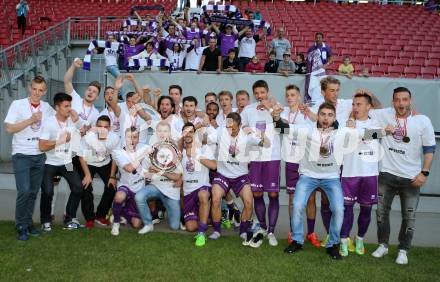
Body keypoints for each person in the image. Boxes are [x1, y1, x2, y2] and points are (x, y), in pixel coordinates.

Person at [283, 102, 361, 260]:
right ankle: (297, 240)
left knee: (339, 209)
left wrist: (386, 131)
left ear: (334, 118)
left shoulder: (342, 132)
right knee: (297, 205)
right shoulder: (306, 129)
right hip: (308, 176)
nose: (326, 118)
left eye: (330, 115)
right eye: (323, 114)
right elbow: (282, 128)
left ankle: (332, 244)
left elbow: (367, 134)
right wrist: (276, 117)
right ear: (317, 116)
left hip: (331, 178)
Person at [370, 87, 436, 265]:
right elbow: (366, 133)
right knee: (381, 213)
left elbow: (429, 148)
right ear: (393, 102)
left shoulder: (422, 120)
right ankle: (383, 245)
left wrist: (425, 172)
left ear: (410, 101)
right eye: (397, 100)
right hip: (386, 175)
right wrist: (384, 131)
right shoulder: (385, 115)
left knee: (409, 216)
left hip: (411, 178)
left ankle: (403, 250)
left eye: (405, 100)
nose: (401, 103)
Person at [4, 76, 54, 240]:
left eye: (40, 90)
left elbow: (59, 117)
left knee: (33, 192)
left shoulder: (46, 107)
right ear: (29, 88)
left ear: (44, 91)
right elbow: (9, 128)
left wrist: (73, 114)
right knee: (24, 191)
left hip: (39, 156)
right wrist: (30, 120)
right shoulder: (17, 104)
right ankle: (21, 225)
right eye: (34, 89)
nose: (37, 93)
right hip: (21, 155)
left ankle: (28, 223)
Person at [271, 85, 320, 247]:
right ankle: (293, 232)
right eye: (288, 95)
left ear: (299, 97)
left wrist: (310, 114)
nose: (290, 97)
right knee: (293, 200)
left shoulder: (306, 112)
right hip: (291, 161)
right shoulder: (282, 112)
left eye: (293, 95)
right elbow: (280, 129)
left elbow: (319, 126)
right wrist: (276, 116)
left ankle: (311, 233)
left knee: (311, 198)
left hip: (306, 161)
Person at [209, 112, 269, 242]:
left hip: (240, 175)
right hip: (223, 174)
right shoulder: (221, 131)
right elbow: (205, 139)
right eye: (228, 127)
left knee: (248, 202)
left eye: (234, 128)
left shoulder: (247, 135)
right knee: (215, 199)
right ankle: (216, 230)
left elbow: (264, 143)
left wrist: (258, 133)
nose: (230, 131)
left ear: (240, 125)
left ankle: (243, 230)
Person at [339, 92, 382, 256]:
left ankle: (360, 238)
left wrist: (354, 132)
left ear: (368, 106)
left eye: (359, 104)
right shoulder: (345, 123)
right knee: (346, 208)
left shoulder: (376, 122)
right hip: (350, 173)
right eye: (354, 104)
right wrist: (349, 130)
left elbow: (371, 135)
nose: (355, 107)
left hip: (370, 174)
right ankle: (344, 240)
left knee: (366, 209)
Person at [240, 80, 281, 248]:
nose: (259, 96)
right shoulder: (248, 110)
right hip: (255, 158)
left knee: (272, 194)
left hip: (272, 156)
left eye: (262, 92)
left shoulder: (276, 106)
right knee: (257, 194)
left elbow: (282, 128)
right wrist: (248, 131)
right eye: (256, 93)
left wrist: (271, 109)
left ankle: (271, 231)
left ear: (267, 91)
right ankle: (263, 227)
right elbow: (242, 126)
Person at [38, 93, 83, 231]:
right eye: (66, 106)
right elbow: (42, 146)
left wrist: (78, 121)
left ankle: (69, 218)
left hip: (67, 162)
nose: (69, 108)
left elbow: (84, 130)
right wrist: (61, 140)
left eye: (70, 105)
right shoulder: (49, 122)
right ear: (57, 107)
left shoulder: (73, 120)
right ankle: (45, 221)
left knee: (77, 187)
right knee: (48, 192)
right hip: (50, 163)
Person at [135, 121, 183, 233]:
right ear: (156, 133)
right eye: (160, 131)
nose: (162, 133)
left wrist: (161, 171)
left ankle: (167, 206)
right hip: (156, 186)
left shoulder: (176, 151)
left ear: (169, 133)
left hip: (171, 190)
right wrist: (149, 173)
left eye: (165, 131)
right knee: (139, 197)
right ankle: (148, 224)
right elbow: (145, 173)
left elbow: (177, 177)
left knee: (174, 226)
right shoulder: (151, 150)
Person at [76, 115, 120, 228]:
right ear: (96, 127)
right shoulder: (88, 138)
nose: (102, 129)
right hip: (89, 163)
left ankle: (100, 215)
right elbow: (81, 157)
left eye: (105, 127)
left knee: (111, 187)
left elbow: (115, 157)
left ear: (109, 129)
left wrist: (112, 176)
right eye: (99, 126)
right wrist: (87, 175)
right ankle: (89, 218)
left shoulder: (114, 138)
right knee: (86, 187)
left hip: (105, 163)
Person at [180, 122, 217, 246]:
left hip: (202, 187)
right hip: (188, 192)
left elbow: (214, 166)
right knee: (190, 227)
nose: (188, 134)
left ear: (195, 133)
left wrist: (196, 155)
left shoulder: (203, 148)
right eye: (185, 132)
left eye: (190, 131)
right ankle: (206, 219)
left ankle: (201, 233)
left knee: (203, 195)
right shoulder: (180, 152)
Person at [110, 127, 151, 236]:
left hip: (139, 189)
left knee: (137, 224)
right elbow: (129, 168)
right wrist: (143, 155)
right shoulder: (118, 153)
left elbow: (159, 156)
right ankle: (116, 223)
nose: (132, 140)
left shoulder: (145, 147)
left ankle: (122, 212)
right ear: (125, 138)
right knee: (119, 196)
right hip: (126, 185)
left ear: (138, 138)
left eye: (135, 137)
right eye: (129, 137)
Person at [64, 58, 100, 134]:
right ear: (85, 91)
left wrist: (86, 130)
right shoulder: (75, 98)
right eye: (89, 90)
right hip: (69, 140)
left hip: (83, 143)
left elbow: (94, 131)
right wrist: (74, 66)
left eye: (94, 92)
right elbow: (67, 81)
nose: (90, 92)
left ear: (97, 97)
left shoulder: (96, 113)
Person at [305, 32, 333, 106]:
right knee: (312, 88)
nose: (318, 39)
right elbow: (308, 60)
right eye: (317, 37)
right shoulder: (311, 48)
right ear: (315, 38)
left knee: (324, 87)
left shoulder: (326, 47)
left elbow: (331, 58)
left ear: (322, 38)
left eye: (320, 37)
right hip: (313, 72)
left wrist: (327, 64)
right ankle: (313, 104)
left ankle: (324, 104)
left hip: (322, 71)